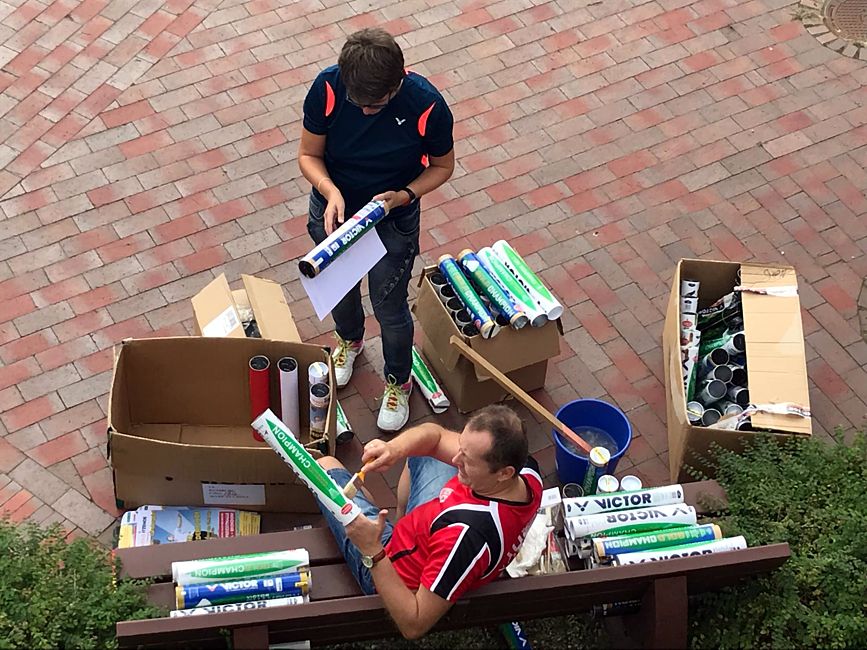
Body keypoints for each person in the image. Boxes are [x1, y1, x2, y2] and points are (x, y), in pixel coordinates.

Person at [297, 28, 456, 432]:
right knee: (340, 288)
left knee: (389, 306)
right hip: (335, 210)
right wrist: (328, 189)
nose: (367, 110)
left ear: (399, 80)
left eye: (378, 104)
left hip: (393, 216)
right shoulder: (328, 88)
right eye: (358, 103)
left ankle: (398, 381)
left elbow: (442, 166)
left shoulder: (427, 106)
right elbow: (308, 153)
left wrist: (405, 195)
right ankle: (349, 342)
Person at [315, 405, 543, 640]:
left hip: (389, 568)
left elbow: (414, 623)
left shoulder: (464, 538)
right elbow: (436, 437)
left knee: (325, 466)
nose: (456, 460)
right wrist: (393, 449)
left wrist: (372, 550)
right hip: (427, 535)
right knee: (422, 451)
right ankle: (398, 518)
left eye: (468, 461)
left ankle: (378, 525)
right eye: (461, 449)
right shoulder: (528, 473)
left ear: (504, 473)